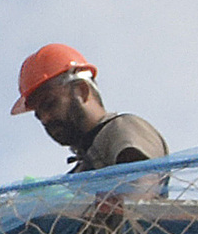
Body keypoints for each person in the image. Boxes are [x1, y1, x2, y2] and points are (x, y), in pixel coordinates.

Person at [11, 44, 168, 193]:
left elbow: (141, 189)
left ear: (81, 90)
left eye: (50, 104)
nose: (45, 119)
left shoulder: (122, 128)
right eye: (38, 115)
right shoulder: (78, 172)